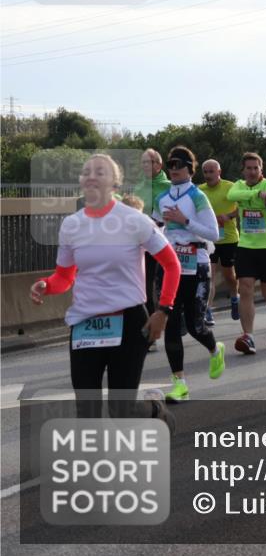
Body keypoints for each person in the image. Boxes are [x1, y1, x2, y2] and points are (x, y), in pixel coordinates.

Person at [29, 154, 180, 425]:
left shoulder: (134, 220)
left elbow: (172, 265)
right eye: (86, 171)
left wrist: (163, 310)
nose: (91, 176)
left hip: (129, 322)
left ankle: (155, 410)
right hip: (85, 324)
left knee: (121, 410)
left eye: (100, 172)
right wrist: (46, 285)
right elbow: (65, 276)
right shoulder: (71, 225)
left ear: (115, 183)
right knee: (86, 412)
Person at [151, 147, 225, 401]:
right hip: (170, 265)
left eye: (179, 164)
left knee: (194, 325)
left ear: (190, 169)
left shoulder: (197, 197)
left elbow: (214, 234)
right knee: (171, 323)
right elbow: (154, 228)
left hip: (197, 262)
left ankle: (215, 350)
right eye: (170, 164)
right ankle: (179, 384)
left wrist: (184, 221)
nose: (173, 168)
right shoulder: (162, 198)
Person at [228, 152, 266, 354]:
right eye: (249, 168)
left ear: (261, 170)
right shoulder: (239, 186)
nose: (252, 172)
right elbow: (232, 196)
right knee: (244, 288)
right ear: (243, 170)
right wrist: (254, 195)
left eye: (256, 168)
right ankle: (249, 337)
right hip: (245, 246)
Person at [136, 148, 171, 351]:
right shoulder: (138, 187)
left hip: (169, 243)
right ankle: (151, 335)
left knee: (168, 285)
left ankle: (180, 321)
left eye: (147, 163)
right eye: (142, 163)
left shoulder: (169, 186)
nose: (144, 167)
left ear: (158, 165)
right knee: (146, 287)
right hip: (146, 244)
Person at [199, 159, 240, 325]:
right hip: (209, 239)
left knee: (229, 275)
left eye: (211, 171)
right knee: (210, 276)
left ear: (219, 172)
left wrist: (228, 216)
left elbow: (242, 207)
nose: (208, 175)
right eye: (206, 172)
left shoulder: (230, 187)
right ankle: (208, 310)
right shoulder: (199, 190)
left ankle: (235, 298)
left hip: (228, 238)